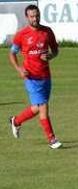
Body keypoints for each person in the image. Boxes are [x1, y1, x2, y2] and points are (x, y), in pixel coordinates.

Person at [7, 4, 61, 149]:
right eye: (32, 16)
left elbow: (56, 51)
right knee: (43, 107)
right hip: (30, 77)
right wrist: (19, 69)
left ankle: (16, 121)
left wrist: (51, 55)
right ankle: (52, 139)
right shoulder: (21, 34)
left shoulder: (47, 32)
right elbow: (12, 53)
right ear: (27, 17)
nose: (35, 18)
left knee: (37, 107)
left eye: (37, 15)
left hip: (46, 76)